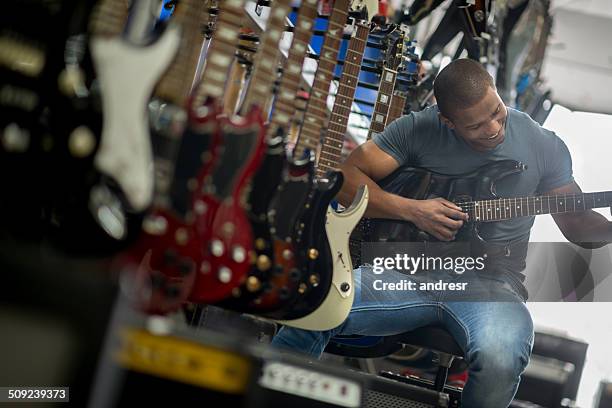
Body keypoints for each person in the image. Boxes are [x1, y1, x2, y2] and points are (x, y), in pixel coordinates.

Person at [271, 58, 612, 407]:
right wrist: (413, 210)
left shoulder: (543, 145)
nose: (494, 128)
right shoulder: (417, 129)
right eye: (477, 125)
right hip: (402, 271)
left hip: (490, 285)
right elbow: (345, 181)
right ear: (446, 121)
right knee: (316, 307)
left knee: (501, 357)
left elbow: (578, 224)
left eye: (496, 111)